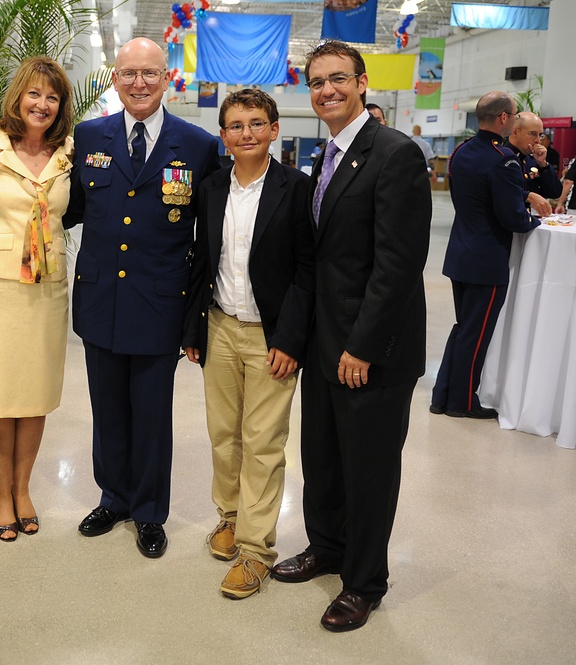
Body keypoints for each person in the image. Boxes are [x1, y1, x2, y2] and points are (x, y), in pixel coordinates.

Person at [270, 40, 431, 632]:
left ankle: (364, 582)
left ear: (363, 83)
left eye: (339, 79)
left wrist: (362, 346)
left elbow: (397, 264)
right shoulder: (328, 155)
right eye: (316, 82)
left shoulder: (394, 154)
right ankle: (328, 547)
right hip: (325, 344)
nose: (327, 90)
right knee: (324, 460)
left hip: (372, 352)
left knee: (367, 470)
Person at [64, 38, 221, 558]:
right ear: (114, 78)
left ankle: (150, 513)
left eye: (149, 74)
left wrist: (197, 316)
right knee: (107, 411)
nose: (139, 83)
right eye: (129, 73)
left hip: (160, 303)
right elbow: (68, 208)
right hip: (100, 301)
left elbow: (210, 234)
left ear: (167, 78)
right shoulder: (88, 136)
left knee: (151, 416)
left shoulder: (196, 146)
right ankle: (114, 498)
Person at [182, 89, 314, 599]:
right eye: (235, 126)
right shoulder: (212, 187)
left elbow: (307, 271)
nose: (246, 134)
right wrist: (193, 329)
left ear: (275, 130)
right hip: (220, 326)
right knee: (223, 434)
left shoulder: (296, 190)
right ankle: (231, 517)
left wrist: (291, 338)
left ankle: (256, 551)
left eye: (256, 123)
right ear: (223, 136)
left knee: (263, 442)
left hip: (270, 337)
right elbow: (201, 260)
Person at [0, 57, 73, 541]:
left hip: (46, 285)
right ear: (17, 98)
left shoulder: (69, 150)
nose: (42, 104)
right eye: (34, 94)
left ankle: (23, 488)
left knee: (34, 394)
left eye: (52, 97)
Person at [430, 92, 540, 419]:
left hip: (461, 252)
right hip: (487, 259)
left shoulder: (462, 151)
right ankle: (462, 402)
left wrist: (523, 194)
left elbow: (474, 193)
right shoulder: (503, 158)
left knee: (464, 327)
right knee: (476, 334)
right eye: (515, 115)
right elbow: (511, 218)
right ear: (504, 118)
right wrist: (534, 220)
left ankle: (443, 394)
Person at [503, 111, 561, 213]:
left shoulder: (531, 160)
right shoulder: (500, 158)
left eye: (540, 135)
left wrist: (543, 164)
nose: (538, 140)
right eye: (533, 134)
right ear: (515, 132)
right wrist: (527, 196)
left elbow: (555, 192)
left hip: (529, 222)